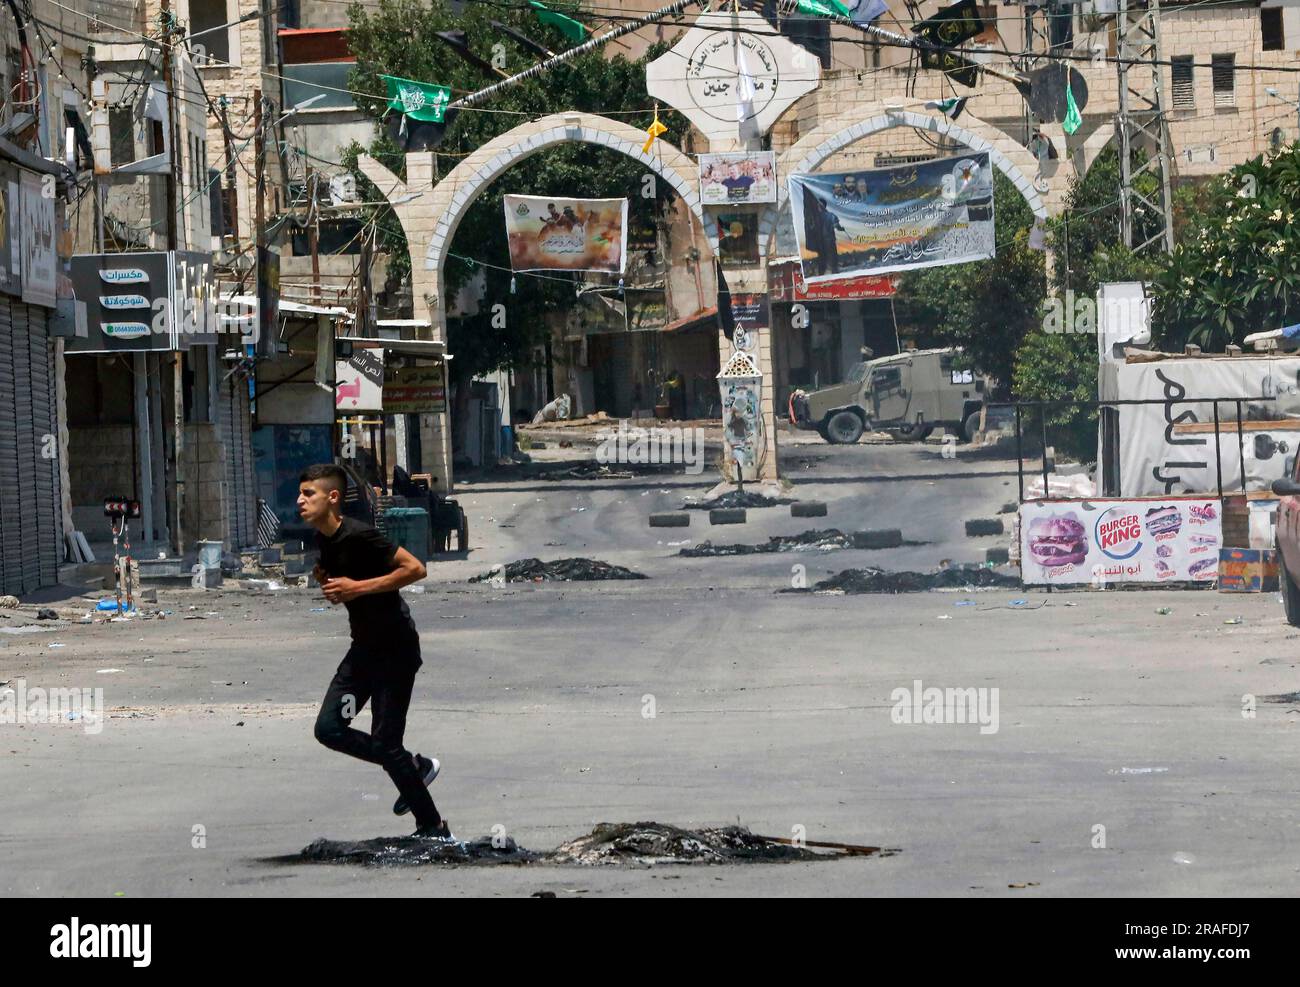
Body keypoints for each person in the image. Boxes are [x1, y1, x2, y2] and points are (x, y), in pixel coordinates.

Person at [297, 463, 452, 840]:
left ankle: (432, 828)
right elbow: (346, 583)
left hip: (395, 651)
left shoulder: (360, 535)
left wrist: (356, 588)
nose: (299, 501)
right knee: (330, 728)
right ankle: (414, 768)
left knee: (385, 742)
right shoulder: (324, 540)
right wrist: (332, 584)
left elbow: (415, 569)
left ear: (332, 498)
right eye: (300, 494)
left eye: (308, 494)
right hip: (364, 651)